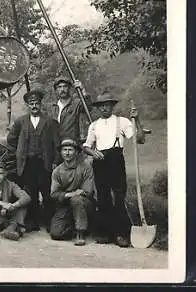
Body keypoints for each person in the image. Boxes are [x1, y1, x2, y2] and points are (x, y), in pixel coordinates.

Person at [82, 92, 146, 248]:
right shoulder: (94, 125)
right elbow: (86, 146)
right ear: (98, 108)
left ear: (112, 106)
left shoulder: (122, 122)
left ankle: (121, 234)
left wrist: (137, 119)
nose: (105, 108)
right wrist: (93, 152)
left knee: (118, 197)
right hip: (100, 162)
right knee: (103, 198)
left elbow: (140, 139)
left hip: (116, 160)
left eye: (108, 105)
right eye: (102, 106)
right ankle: (106, 233)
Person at [6, 89, 60, 232]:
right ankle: (33, 222)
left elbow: (57, 144)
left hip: (44, 163)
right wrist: (19, 152)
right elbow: (10, 139)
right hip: (27, 163)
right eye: (31, 103)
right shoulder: (20, 121)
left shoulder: (49, 122)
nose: (34, 106)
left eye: (36, 103)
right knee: (31, 193)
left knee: (47, 193)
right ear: (28, 106)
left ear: (40, 104)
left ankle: (49, 222)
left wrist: (55, 160)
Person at [49, 138, 96, 246]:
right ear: (61, 152)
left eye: (70, 150)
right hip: (66, 204)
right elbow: (54, 193)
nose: (67, 153)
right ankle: (74, 227)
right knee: (56, 234)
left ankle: (80, 232)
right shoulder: (57, 171)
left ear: (76, 152)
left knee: (77, 200)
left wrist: (75, 195)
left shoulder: (85, 167)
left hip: (85, 204)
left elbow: (87, 191)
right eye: (64, 150)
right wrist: (68, 194)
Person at [47, 77, 92, 143]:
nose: (62, 89)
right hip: (55, 144)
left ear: (69, 88)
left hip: (72, 143)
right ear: (56, 90)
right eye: (59, 87)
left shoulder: (76, 103)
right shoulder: (52, 107)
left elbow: (88, 108)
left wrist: (83, 91)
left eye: (65, 86)